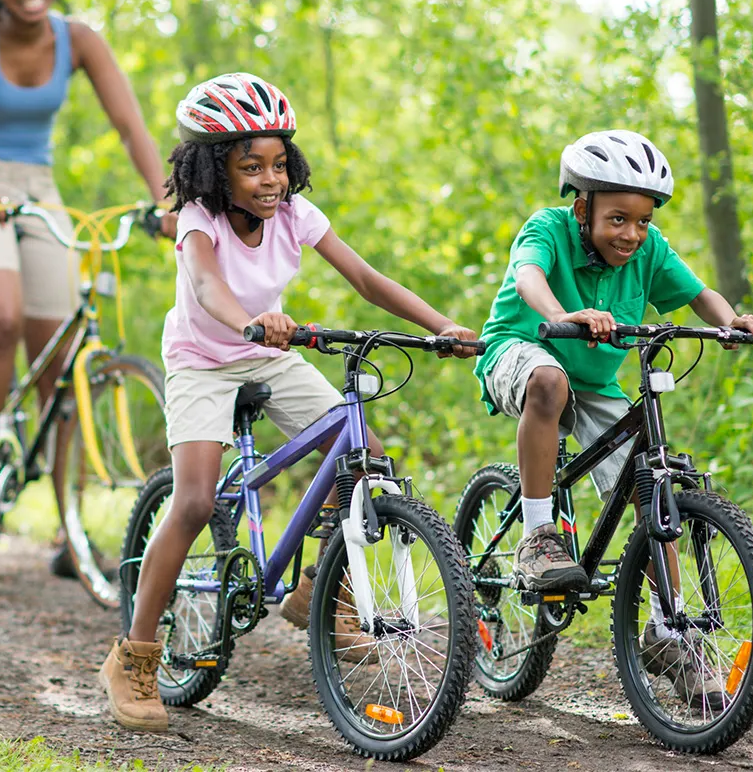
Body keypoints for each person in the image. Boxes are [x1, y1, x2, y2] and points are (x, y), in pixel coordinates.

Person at [97, 72, 480, 732]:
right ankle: (134, 656)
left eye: (279, 164)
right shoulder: (197, 221)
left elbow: (363, 277)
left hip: (269, 351)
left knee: (365, 458)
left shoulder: (295, 214)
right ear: (215, 171)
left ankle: (324, 595)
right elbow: (209, 288)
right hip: (202, 360)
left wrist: (439, 326)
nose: (270, 180)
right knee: (193, 500)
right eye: (252, 167)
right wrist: (251, 318)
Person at [471, 128, 753, 700]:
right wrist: (567, 313)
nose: (631, 233)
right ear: (582, 208)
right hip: (521, 351)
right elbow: (527, 276)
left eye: (642, 220)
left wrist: (732, 319)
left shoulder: (650, 248)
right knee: (548, 381)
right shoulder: (548, 228)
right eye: (617, 219)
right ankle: (538, 535)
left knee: (649, 488)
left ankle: (668, 631)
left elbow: (699, 293)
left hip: (593, 381)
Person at [0, 0, 176, 550]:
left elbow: (130, 126)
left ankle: (70, 527)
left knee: (61, 360)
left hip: (37, 187)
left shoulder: (79, 38)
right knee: (2, 319)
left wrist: (168, 203)